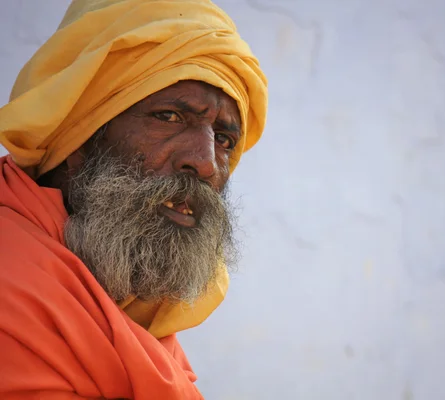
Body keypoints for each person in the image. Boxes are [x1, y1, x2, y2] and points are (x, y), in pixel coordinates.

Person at [0, 0, 268, 398]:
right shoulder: (12, 286)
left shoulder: (135, 322)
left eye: (224, 139)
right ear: (82, 134)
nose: (206, 162)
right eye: (169, 117)